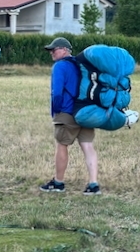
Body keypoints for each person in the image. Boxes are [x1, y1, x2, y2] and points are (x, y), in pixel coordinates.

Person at [39, 37, 100, 195]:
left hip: (67, 112)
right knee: (87, 146)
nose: (52, 52)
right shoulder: (81, 65)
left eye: (55, 49)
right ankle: (93, 184)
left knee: (62, 145)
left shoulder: (60, 66)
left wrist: (57, 110)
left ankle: (58, 183)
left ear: (65, 50)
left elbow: (57, 92)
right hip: (86, 111)